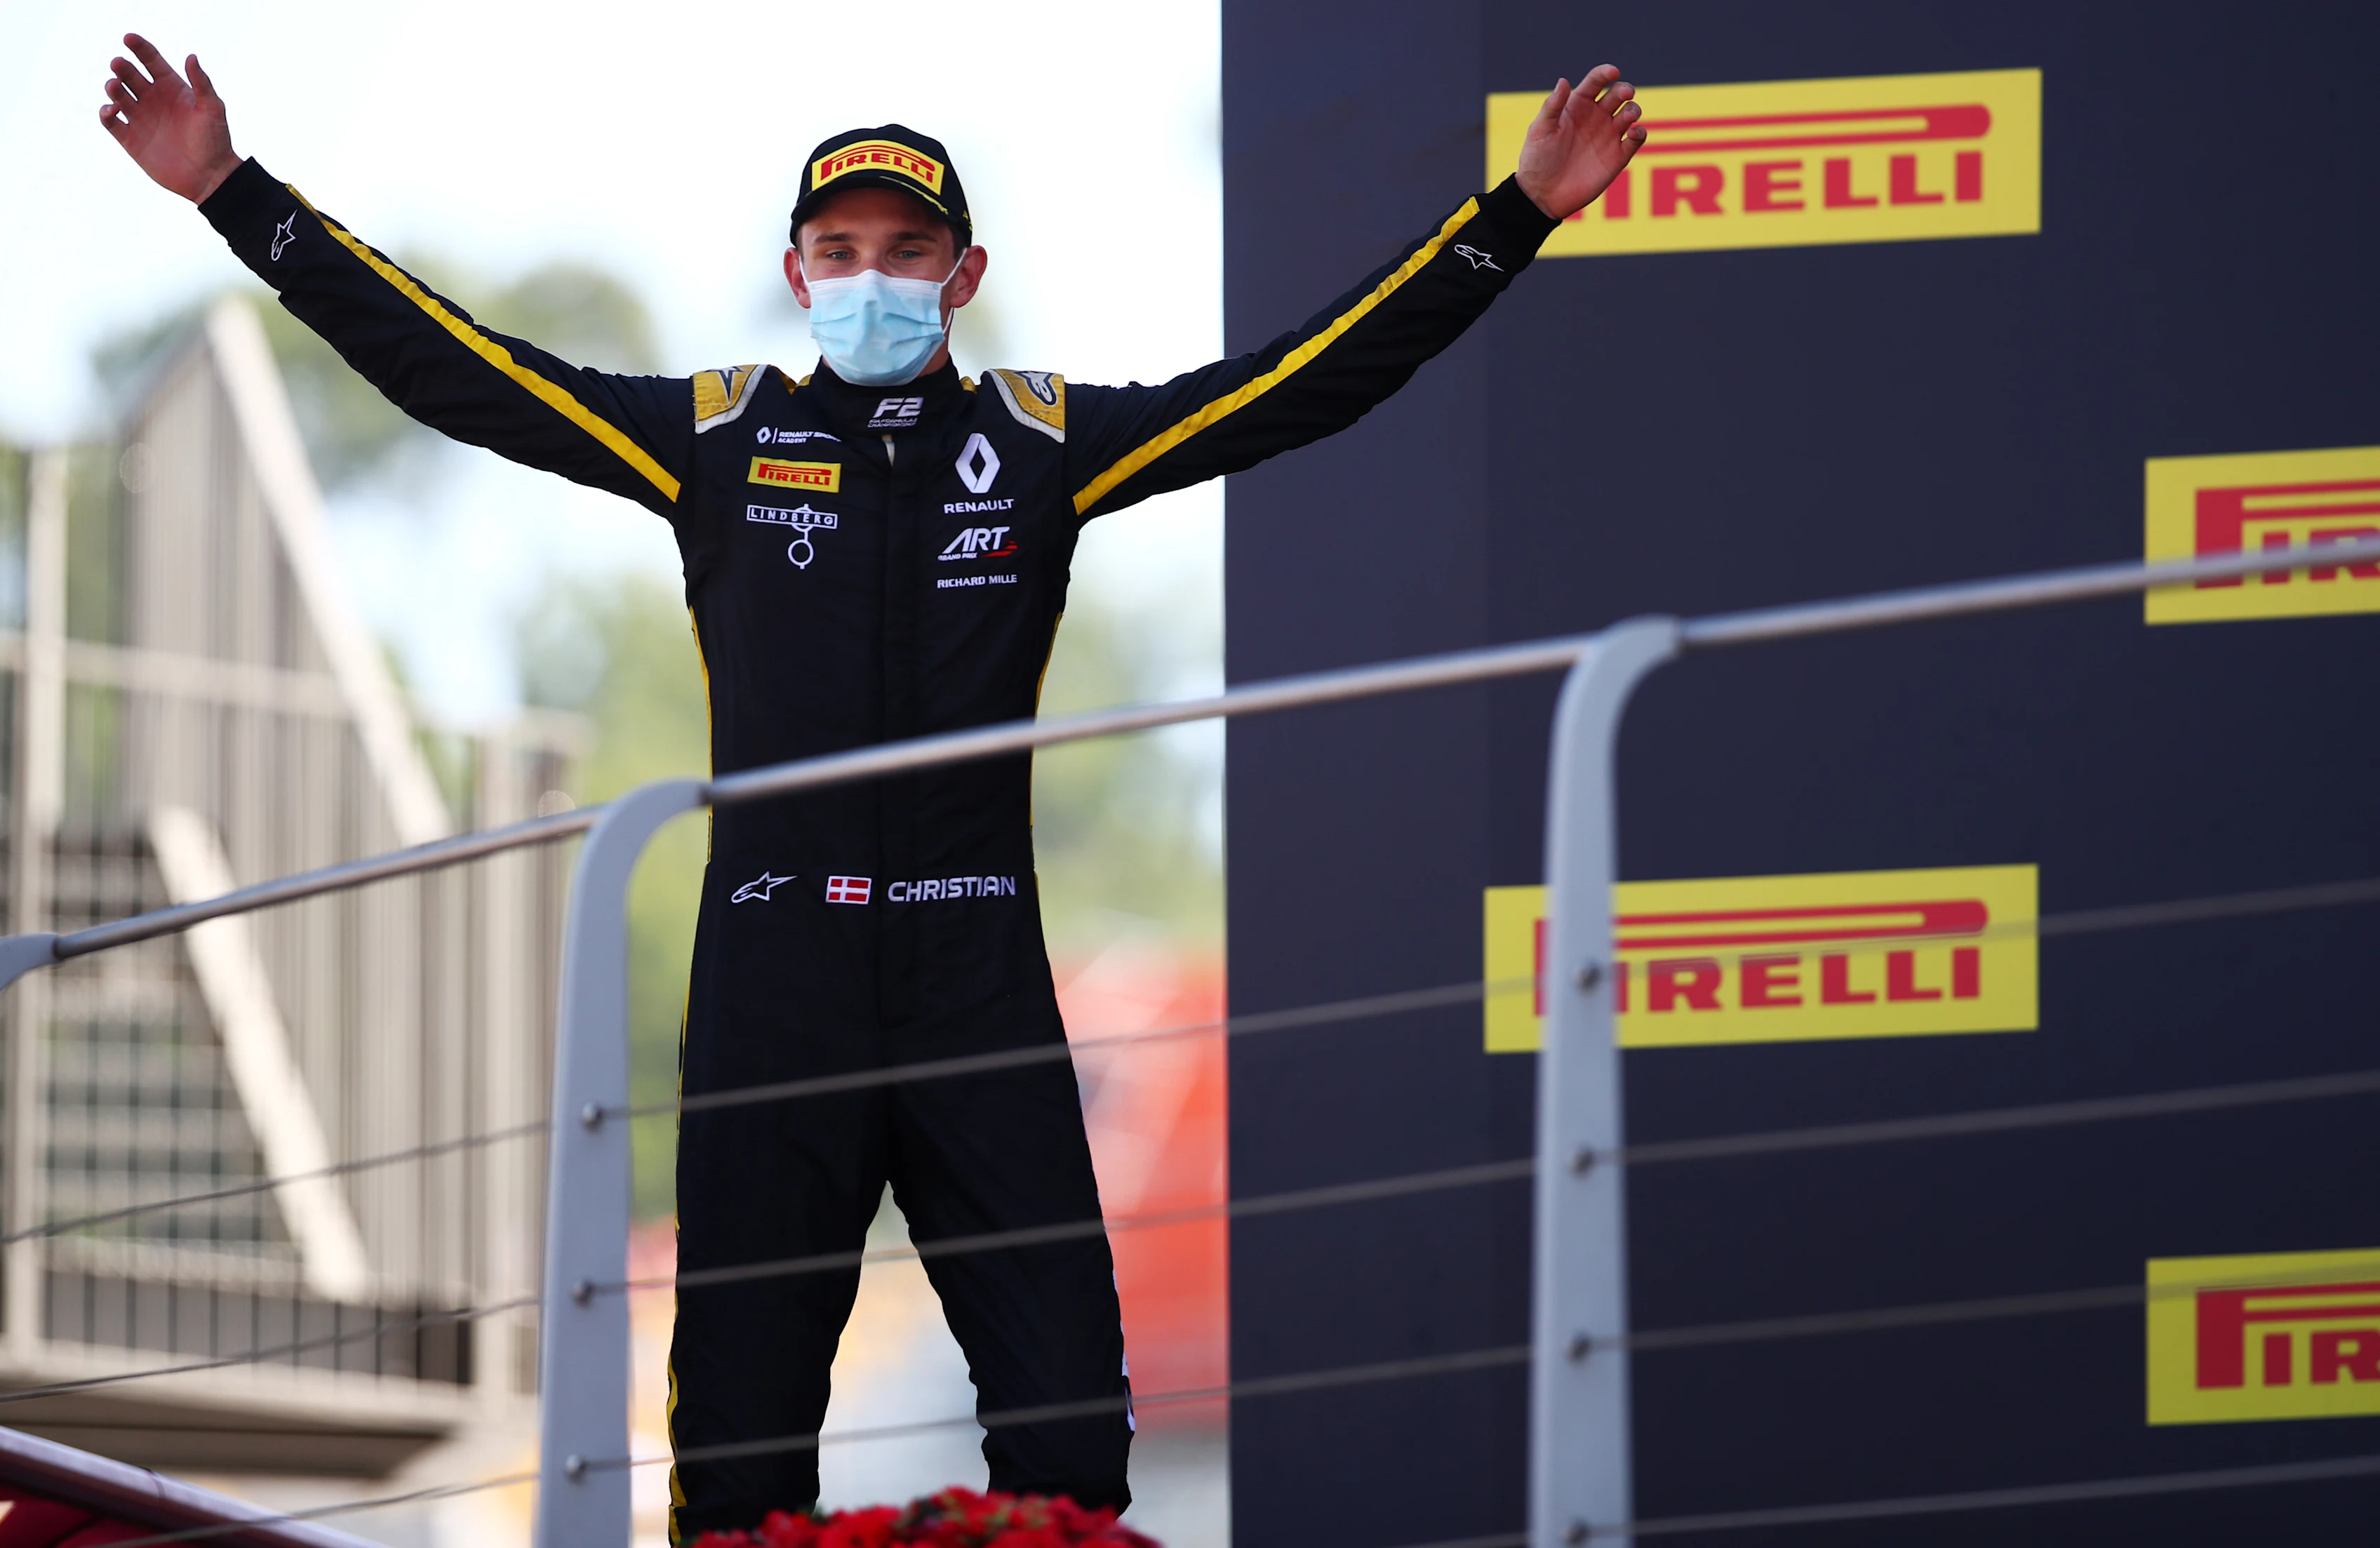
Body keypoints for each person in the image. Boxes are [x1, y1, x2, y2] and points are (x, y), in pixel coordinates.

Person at [98, 32, 1645, 1541]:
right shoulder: (717, 437)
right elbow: (464, 371)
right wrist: (236, 189)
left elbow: (1297, 385)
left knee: (1068, 1435)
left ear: (963, 275)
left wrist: (1510, 217)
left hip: (978, 975)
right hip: (779, 975)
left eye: (907, 250)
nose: (871, 278)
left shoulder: (1042, 443)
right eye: (837, 249)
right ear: (796, 272)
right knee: (741, 1449)